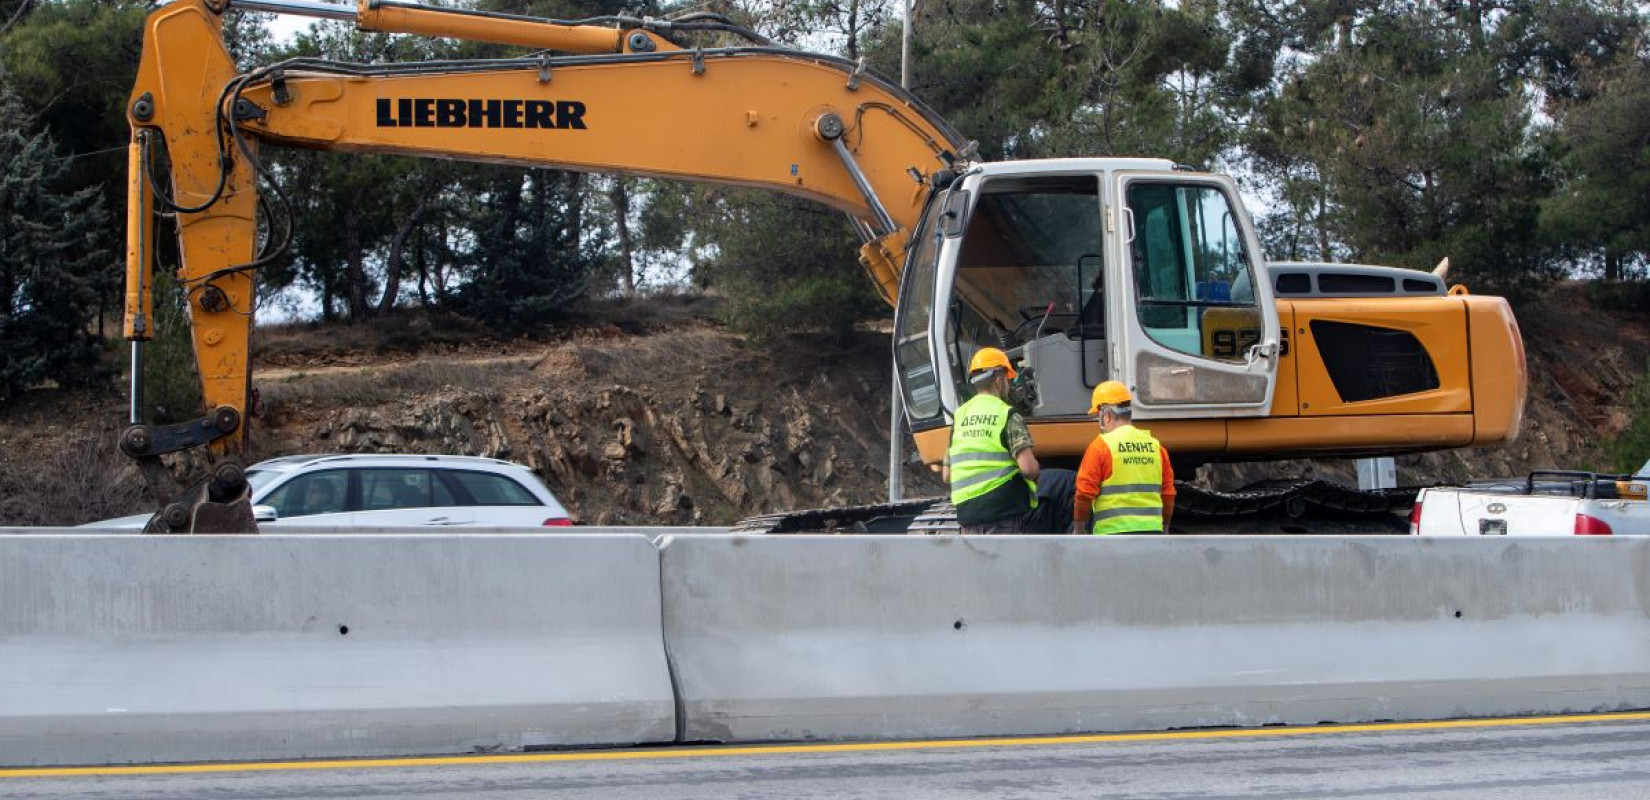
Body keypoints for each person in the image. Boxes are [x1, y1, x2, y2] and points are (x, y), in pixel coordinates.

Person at [944, 348, 1075, 534]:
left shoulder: (959, 417)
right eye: (1007, 380)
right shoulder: (1006, 414)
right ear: (999, 381)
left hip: (968, 516)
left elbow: (947, 475)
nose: (1008, 385)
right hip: (1003, 512)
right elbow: (1029, 469)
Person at [1073, 381, 1175, 534]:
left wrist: (1079, 530)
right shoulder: (1156, 447)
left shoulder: (1101, 446)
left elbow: (1084, 494)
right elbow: (1168, 495)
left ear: (1106, 416)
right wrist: (1165, 528)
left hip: (1112, 535)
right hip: (1152, 534)